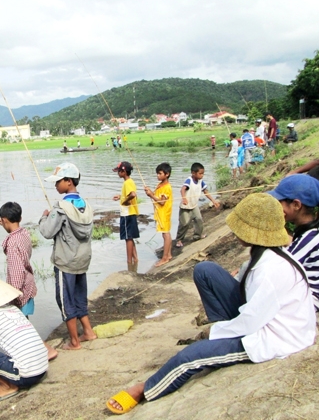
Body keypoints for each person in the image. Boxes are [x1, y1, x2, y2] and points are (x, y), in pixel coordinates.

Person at [106, 193, 315, 415]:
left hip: (274, 337)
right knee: (206, 270)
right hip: (260, 317)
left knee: (189, 358)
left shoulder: (271, 270)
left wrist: (216, 332)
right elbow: (250, 295)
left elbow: (251, 323)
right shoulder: (264, 254)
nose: (235, 232)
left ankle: (144, 389)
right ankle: (222, 339)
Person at [39, 162, 97, 350]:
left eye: (58, 182)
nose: (55, 186)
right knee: (80, 296)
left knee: (65, 300)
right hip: (83, 260)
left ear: (69, 181)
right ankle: (88, 331)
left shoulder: (61, 208)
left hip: (66, 263)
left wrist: (44, 217)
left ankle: (74, 341)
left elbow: (47, 232)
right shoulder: (86, 205)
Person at [0, 201, 58, 360]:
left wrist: (12, 294)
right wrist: (4, 224)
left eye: (3, 221)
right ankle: (30, 352)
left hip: (20, 289)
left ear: (5, 220)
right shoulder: (23, 233)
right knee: (24, 323)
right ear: (20, 217)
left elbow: (16, 270)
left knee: (22, 325)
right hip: (29, 283)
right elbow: (14, 232)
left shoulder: (12, 243)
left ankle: (46, 350)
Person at [268, 174, 319, 311]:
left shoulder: (310, 238)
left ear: (296, 205)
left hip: (308, 304)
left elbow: (280, 269)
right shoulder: (308, 232)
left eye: (280, 202)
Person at [175, 163, 220, 248]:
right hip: (185, 206)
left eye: (203, 173)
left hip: (194, 205)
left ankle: (197, 236)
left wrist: (213, 201)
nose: (202, 175)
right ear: (193, 173)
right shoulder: (189, 180)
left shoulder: (201, 182)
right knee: (184, 223)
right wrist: (184, 198)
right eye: (200, 173)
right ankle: (179, 240)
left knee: (199, 219)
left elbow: (206, 192)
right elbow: (182, 189)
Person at [144, 163, 173, 267]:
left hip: (164, 213)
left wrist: (151, 195)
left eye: (160, 173)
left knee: (166, 234)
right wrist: (150, 193)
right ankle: (168, 255)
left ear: (167, 174)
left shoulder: (167, 187)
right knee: (165, 233)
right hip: (160, 213)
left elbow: (162, 202)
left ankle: (165, 258)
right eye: (157, 173)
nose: (158, 175)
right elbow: (156, 196)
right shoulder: (160, 185)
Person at [112, 161, 139, 265]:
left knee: (128, 238)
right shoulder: (129, 182)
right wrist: (120, 196)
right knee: (130, 237)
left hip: (127, 214)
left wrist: (125, 201)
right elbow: (129, 194)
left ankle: (129, 261)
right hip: (129, 213)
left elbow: (132, 194)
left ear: (123, 171)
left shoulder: (127, 182)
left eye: (118, 171)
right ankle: (135, 260)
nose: (118, 173)